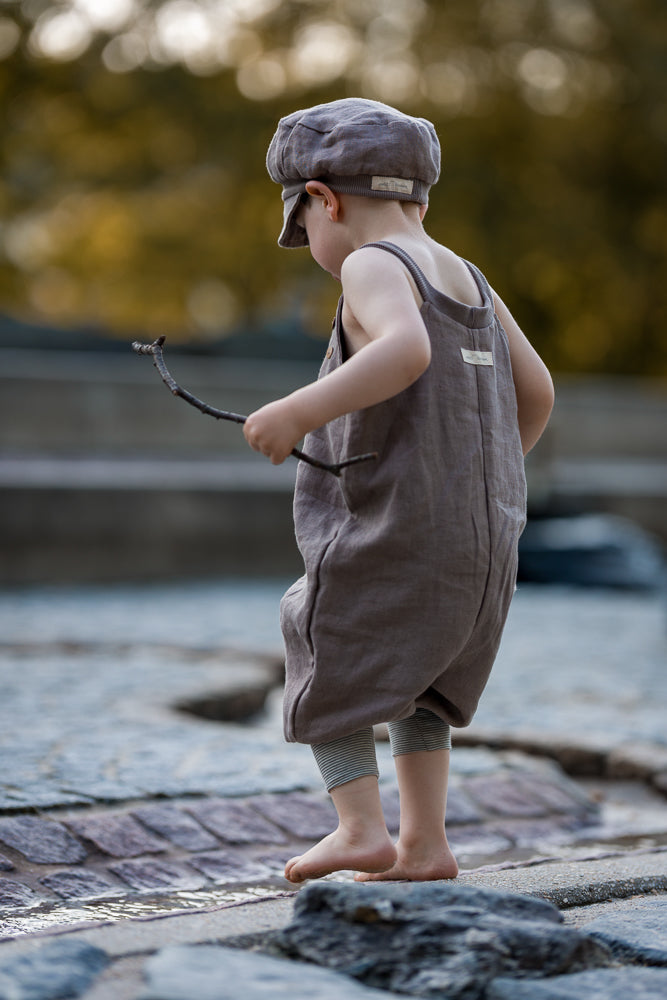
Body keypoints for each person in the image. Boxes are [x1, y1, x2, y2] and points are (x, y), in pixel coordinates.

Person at [243, 98, 554, 885]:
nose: (311, 243)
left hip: (404, 525)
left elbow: (406, 351)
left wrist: (295, 411)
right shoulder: (469, 277)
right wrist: (479, 484)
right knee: (420, 682)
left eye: (304, 226)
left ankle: (359, 829)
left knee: (316, 631)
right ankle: (425, 845)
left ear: (323, 198)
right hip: (485, 538)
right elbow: (538, 392)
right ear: (419, 195)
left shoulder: (371, 262)